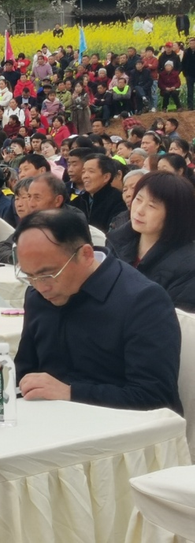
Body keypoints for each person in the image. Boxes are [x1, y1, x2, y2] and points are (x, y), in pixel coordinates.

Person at [12, 210, 181, 413]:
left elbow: (155, 398)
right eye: (29, 276)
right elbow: (24, 371)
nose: (41, 287)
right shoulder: (37, 297)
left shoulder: (142, 301)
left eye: (48, 274)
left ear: (86, 255)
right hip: (48, 421)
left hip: (123, 432)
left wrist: (71, 393)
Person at [106, 172, 195, 312]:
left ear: (174, 214)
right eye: (139, 199)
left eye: (152, 206)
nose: (139, 210)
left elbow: (174, 321)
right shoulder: (116, 241)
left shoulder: (189, 267)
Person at [78, 154, 127, 233]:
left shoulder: (118, 200)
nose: (85, 176)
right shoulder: (79, 200)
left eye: (91, 171)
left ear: (106, 177)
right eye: (83, 172)